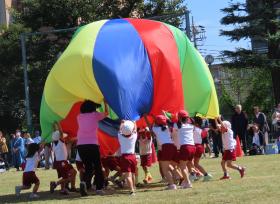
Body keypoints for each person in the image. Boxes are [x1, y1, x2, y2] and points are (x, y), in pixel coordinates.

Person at [76, 100, 108, 196]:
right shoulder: (95, 115)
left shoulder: (79, 117)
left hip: (80, 145)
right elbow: (106, 113)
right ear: (93, 108)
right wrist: (105, 103)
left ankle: (84, 183)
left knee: (88, 167)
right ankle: (99, 188)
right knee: (98, 166)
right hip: (92, 144)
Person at [153, 115, 179, 190]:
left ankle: (172, 185)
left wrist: (147, 117)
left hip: (166, 147)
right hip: (172, 146)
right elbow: (169, 122)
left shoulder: (155, 129)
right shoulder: (168, 127)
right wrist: (165, 116)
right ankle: (177, 179)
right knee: (172, 166)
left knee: (165, 169)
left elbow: (151, 125)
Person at [50, 123, 77, 195]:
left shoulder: (53, 143)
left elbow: (54, 133)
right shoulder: (60, 142)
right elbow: (61, 132)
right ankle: (55, 184)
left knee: (64, 176)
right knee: (70, 175)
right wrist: (58, 124)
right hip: (62, 162)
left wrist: (53, 126)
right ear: (60, 137)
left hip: (58, 163)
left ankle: (63, 189)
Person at [173, 110, 195, 186]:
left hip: (185, 147)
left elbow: (171, 123)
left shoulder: (177, 126)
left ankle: (188, 182)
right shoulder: (191, 126)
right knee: (187, 164)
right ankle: (188, 180)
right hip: (192, 147)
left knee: (182, 166)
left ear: (179, 118)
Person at [118, 120, 138, 196]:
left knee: (127, 175)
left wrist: (122, 122)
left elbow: (119, 129)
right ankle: (134, 187)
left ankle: (132, 191)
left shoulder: (120, 136)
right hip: (133, 156)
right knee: (133, 173)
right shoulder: (134, 136)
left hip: (125, 157)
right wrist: (134, 122)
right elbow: (135, 129)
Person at [193, 117, 213, 181]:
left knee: (189, 163)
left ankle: (197, 174)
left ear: (196, 123)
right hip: (200, 147)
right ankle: (205, 175)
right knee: (196, 163)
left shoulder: (193, 129)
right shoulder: (202, 130)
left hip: (195, 147)